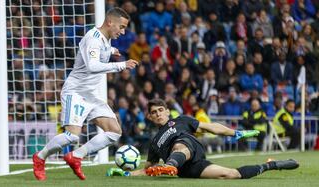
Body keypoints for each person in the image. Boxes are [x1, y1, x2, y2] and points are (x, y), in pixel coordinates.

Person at [32, 7, 139, 181]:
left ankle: (76, 156)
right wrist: (121, 65)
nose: (123, 31)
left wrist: (112, 51)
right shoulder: (93, 38)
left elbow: (101, 52)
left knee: (114, 131)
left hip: (92, 94)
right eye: (121, 27)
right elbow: (93, 66)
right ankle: (40, 157)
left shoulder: (106, 39)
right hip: (76, 92)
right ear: (110, 22)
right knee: (72, 136)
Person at [107, 99, 299, 179]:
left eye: (160, 110)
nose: (158, 114)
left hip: (190, 149)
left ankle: (171, 164)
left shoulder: (181, 120)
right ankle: (271, 165)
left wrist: (236, 133)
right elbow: (147, 167)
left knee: (180, 144)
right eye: (153, 113)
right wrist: (125, 174)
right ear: (149, 117)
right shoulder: (155, 142)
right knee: (231, 175)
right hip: (188, 168)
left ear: (167, 111)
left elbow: (210, 127)